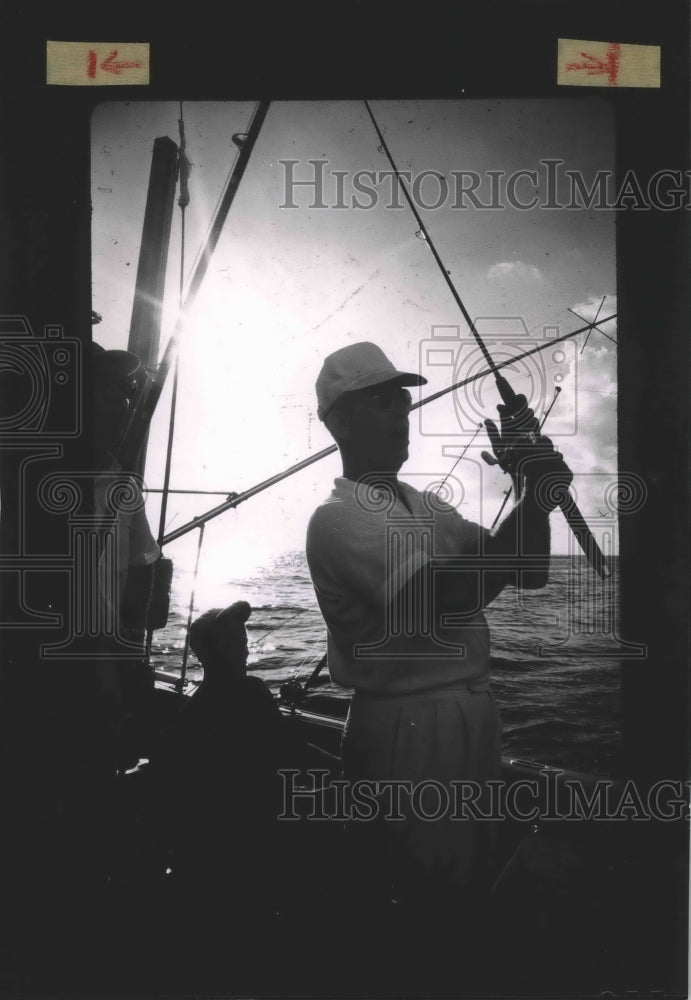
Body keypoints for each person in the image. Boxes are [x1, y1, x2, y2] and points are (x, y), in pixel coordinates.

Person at [305, 341, 573, 908]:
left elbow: (527, 570)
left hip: (470, 720)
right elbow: (446, 597)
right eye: (383, 401)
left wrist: (535, 490)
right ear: (339, 423)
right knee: (419, 897)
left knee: (469, 881)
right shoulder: (336, 518)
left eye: (403, 401)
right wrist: (530, 495)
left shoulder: (429, 507)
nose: (402, 413)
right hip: (405, 735)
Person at [92, 342, 161, 766]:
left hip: (107, 665)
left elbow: (142, 568)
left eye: (128, 390)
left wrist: (130, 656)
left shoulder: (125, 487)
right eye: (107, 387)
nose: (124, 401)